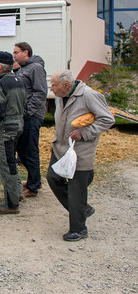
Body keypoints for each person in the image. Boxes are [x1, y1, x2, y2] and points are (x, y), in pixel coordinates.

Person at [46, 70, 114, 241]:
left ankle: (79, 228)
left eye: (54, 85)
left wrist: (85, 133)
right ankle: (82, 209)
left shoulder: (89, 96)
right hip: (61, 147)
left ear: (66, 85)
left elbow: (107, 119)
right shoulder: (61, 96)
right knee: (53, 178)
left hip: (80, 150)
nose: (51, 88)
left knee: (77, 189)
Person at [0, 51, 27, 215]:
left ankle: (10, 204)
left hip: (5, 129)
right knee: (12, 161)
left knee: (6, 166)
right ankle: (17, 192)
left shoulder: (1, 84)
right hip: (18, 125)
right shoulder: (19, 81)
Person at [13, 42, 48, 197]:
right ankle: (35, 180)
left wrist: (27, 112)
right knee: (22, 150)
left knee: (30, 150)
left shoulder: (36, 68)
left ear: (25, 52)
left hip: (32, 117)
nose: (13, 55)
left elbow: (40, 93)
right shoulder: (23, 68)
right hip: (24, 116)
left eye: (16, 52)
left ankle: (33, 187)